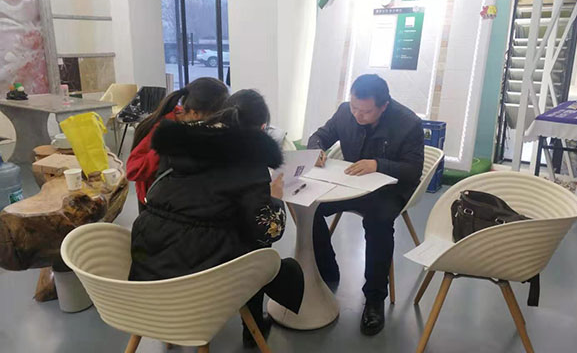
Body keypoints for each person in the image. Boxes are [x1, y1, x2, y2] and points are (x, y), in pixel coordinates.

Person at [128, 89, 304, 348]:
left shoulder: (177, 143)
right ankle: (252, 329)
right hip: (202, 289)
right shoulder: (250, 161)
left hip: (147, 276)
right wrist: (275, 197)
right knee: (259, 246)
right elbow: (270, 229)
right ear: (262, 129)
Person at [308, 74, 424, 336]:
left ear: (384, 106)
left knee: (378, 222)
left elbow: (413, 170)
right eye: (354, 107)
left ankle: (374, 298)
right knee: (309, 205)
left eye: (366, 111)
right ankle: (327, 268)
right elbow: (320, 135)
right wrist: (316, 149)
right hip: (352, 183)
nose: (358, 115)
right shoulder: (345, 112)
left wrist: (378, 164)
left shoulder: (408, 123)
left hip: (389, 188)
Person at [126, 78, 229, 212]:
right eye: (215, 116)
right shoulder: (162, 129)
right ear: (195, 113)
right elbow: (133, 170)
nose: (217, 120)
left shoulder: (191, 122)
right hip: (154, 202)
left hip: (177, 196)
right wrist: (165, 147)